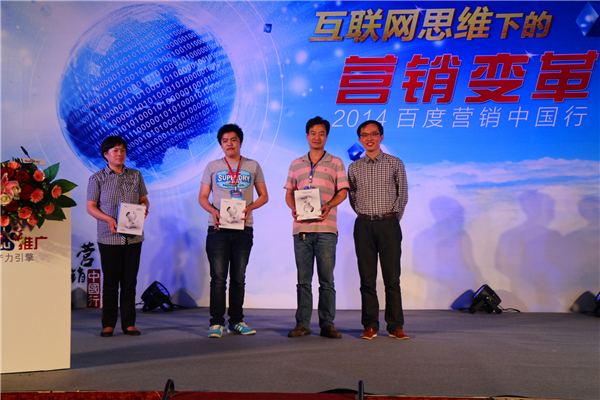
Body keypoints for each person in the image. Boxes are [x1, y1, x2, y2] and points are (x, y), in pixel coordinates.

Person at [199, 124, 269, 338]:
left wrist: (249, 208)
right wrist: (213, 211)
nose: (229, 144)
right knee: (218, 279)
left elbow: (264, 196)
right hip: (218, 229)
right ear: (221, 144)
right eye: (225, 141)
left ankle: (236, 321)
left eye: (233, 140)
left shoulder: (252, 165)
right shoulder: (212, 166)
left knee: (238, 278)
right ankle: (216, 323)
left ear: (240, 142)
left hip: (243, 230)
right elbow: (203, 197)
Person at [284, 116, 349, 339]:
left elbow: (343, 191)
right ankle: (302, 324)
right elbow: (289, 193)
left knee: (326, 281)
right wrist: (293, 208)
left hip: (327, 230)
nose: (317, 137)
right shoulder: (296, 164)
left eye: (321, 133)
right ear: (307, 136)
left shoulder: (336, 162)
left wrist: (329, 205)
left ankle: (327, 324)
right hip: (301, 230)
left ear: (326, 137)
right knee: (303, 281)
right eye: (313, 133)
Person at [348, 120, 409, 340]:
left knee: (392, 279)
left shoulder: (395, 163)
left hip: (388, 225)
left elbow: (402, 195)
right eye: (364, 135)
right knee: (367, 279)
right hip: (363, 225)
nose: (369, 138)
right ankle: (370, 325)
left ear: (381, 137)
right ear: (360, 139)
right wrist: (366, 216)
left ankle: (395, 326)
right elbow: (352, 196)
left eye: (373, 134)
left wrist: (391, 219)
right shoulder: (354, 167)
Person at [86, 136, 150, 337]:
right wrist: (108, 219)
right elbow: (91, 207)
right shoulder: (97, 178)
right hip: (109, 237)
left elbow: (144, 199)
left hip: (133, 236)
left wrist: (144, 208)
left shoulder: (136, 175)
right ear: (106, 154)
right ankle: (108, 324)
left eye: (122, 150)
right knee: (111, 283)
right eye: (115, 151)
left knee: (130, 282)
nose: (120, 154)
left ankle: (129, 323)